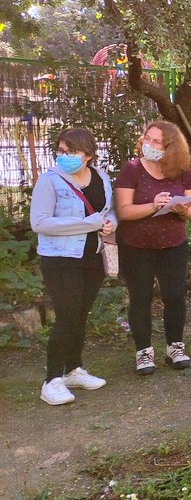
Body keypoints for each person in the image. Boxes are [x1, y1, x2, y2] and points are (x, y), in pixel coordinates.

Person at [30, 128, 117, 405]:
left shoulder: (101, 177)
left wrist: (111, 222)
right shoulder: (50, 181)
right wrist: (89, 224)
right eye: (60, 151)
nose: (63, 156)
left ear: (88, 155)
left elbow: (109, 209)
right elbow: (40, 223)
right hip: (60, 259)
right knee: (67, 315)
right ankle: (52, 380)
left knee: (80, 314)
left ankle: (74, 370)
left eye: (70, 152)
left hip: (91, 255)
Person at [114, 120, 191, 375]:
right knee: (141, 298)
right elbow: (124, 211)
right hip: (136, 246)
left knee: (175, 296)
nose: (148, 144)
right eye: (147, 138)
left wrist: (183, 209)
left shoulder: (182, 170)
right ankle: (143, 352)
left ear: (171, 147)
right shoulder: (131, 169)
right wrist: (153, 205)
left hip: (173, 244)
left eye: (156, 141)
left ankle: (175, 348)